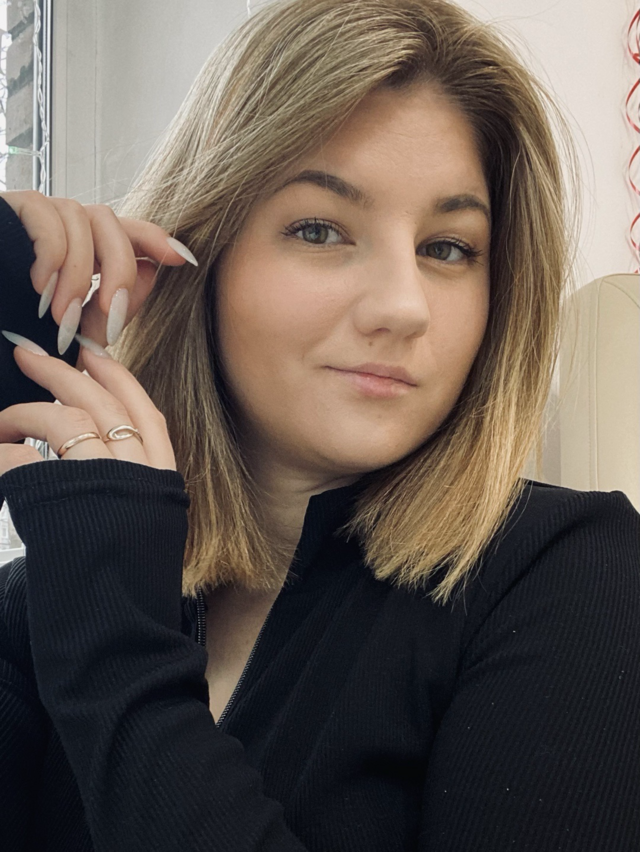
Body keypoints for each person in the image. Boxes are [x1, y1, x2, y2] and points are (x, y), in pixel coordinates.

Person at [0, 0, 639, 849]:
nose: (404, 306)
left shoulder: (571, 570)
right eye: (320, 229)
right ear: (201, 257)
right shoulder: (45, 596)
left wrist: (119, 646)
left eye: (448, 247)